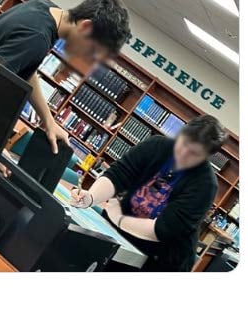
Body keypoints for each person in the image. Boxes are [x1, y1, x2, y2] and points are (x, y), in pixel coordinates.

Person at [71, 115, 226, 271]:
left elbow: (162, 230)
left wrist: (118, 218)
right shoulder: (156, 146)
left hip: (160, 260)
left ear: (207, 156)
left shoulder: (205, 185)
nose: (183, 153)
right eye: (183, 143)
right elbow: (117, 175)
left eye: (194, 153)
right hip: (120, 235)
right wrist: (90, 198)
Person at [0, 0, 130, 164]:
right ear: (86, 27)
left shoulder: (44, 8)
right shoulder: (38, 37)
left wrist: (48, 120)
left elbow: (26, 67)